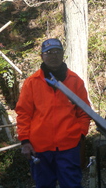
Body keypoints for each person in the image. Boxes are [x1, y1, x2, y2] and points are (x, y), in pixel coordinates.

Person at [15, 38, 91, 188]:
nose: (53, 56)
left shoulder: (75, 81)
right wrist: (25, 141)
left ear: (63, 54)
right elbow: (23, 113)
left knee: (72, 185)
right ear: (42, 56)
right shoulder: (32, 82)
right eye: (48, 52)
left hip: (69, 147)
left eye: (57, 52)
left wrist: (80, 134)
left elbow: (84, 112)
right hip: (40, 149)